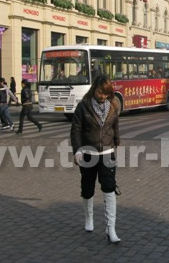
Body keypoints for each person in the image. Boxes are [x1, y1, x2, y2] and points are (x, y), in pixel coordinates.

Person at [70, 75, 121, 243]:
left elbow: (115, 125)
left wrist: (117, 142)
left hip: (107, 153)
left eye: (106, 93)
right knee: (87, 187)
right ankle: (89, 218)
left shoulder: (113, 105)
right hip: (88, 153)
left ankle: (110, 228)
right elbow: (75, 130)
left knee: (109, 188)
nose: (102, 96)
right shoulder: (83, 107)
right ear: (94, 90)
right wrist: (77, 151)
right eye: (100, 93)